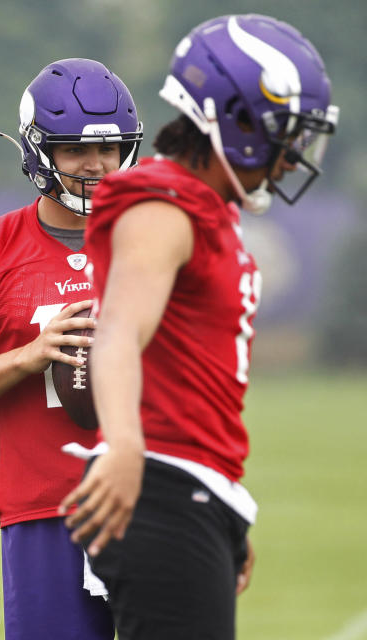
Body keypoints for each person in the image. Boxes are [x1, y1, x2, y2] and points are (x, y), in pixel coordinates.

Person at [58, 14, 338, 639]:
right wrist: (128, 446)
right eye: (283, 137)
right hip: (160, 483)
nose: (292, 161)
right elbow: (121, 332)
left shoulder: (208, 208)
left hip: (188, 488)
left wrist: (223, 502)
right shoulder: (166, 204)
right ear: (236, 123)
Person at [0, 58, 143, 640]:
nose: (95, 165)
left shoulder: (158, 240)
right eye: (73, 149)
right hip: (48, 509)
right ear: (38, 150)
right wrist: (27, 355)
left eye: (110, 147)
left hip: (155, 498)